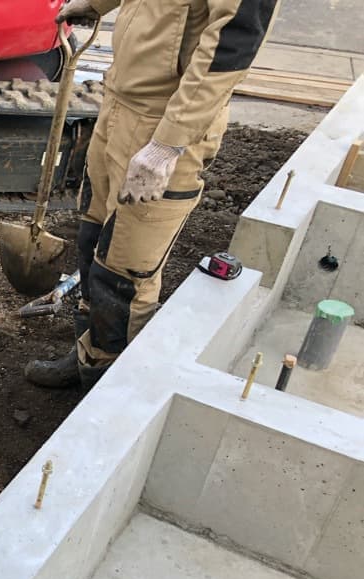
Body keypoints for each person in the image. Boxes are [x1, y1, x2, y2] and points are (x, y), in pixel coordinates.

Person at [25, 0, 280, 388]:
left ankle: (110, 391)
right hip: (120, 101)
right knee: (93, 240)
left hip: (164, 122)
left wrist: (168, 143)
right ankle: (88, 355)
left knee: (125, 274)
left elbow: (233, 42)